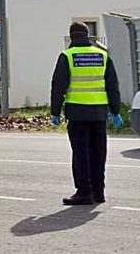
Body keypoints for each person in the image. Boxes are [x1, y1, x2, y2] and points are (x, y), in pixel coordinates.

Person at [50, 22, 123, 205]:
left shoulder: (67, 56)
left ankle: (84, 192)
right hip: (99, 113)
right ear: (88, 35)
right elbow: (113, 87)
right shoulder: (103, 56)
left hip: (77, 113)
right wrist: (115, 111)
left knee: (81, 153)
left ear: (71, 37)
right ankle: (99, 192)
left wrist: (55, 112)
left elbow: (58, 87)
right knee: (99, 152)